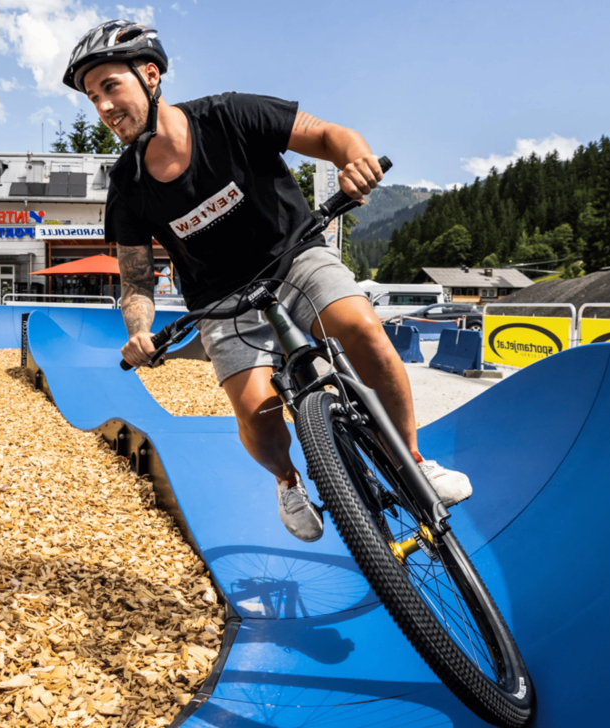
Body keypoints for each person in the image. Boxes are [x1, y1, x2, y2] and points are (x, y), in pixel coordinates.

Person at [63, 20, 472, 542]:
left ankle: (411, 461)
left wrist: (355, 160)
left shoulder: (229, 114)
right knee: (257, 411)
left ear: (150, 75)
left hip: (294, 257)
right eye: (92, 97)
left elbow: (329, 136)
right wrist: (139, 330)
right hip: (221, 301)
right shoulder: (128, 186)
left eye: (110, 87)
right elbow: (137, 281)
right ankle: (287, 481)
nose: (102, 107)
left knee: (362, 329)